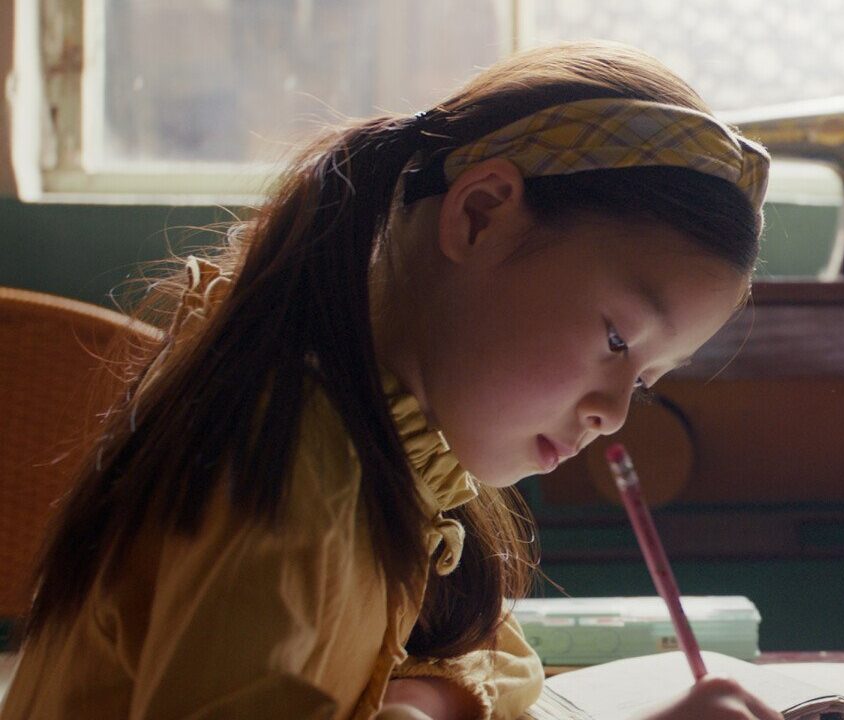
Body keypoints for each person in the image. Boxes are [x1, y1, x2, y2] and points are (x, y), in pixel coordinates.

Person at [1, 41, 783, 720]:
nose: (613, 414)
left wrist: (423, 697)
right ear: (479, 216)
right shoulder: (282, 464)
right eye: (617, 339)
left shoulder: (394, 449)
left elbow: (496, 658)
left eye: (644, 382)